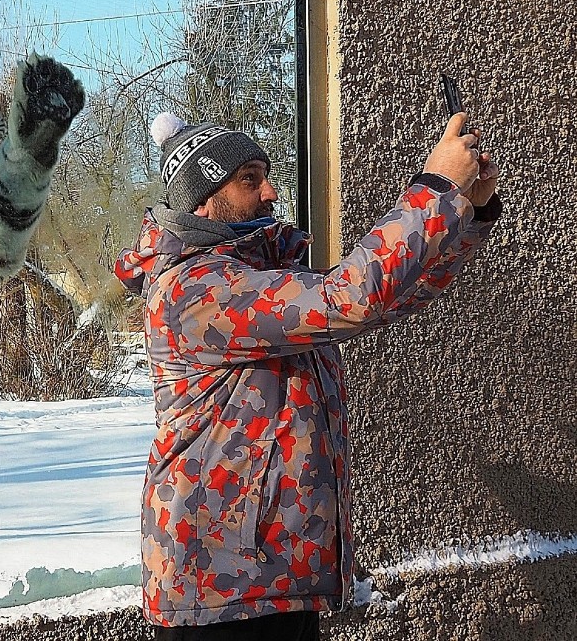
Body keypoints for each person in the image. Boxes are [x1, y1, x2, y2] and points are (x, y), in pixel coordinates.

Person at [113, 110, 501, 640]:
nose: (271, 191)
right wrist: (436, 189)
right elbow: (353, 295)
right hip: (218, 587)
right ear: (203, 199)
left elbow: (389, 300)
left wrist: (468, 214)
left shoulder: (261, 277)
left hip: (274, 576)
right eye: (250, 179)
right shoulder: (196, 290)